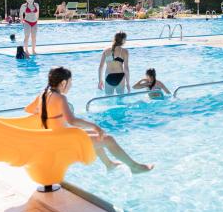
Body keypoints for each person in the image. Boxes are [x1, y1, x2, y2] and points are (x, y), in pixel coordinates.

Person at [25, 67, 153, 174]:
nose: (71, 84)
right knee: (108, 139)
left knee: (99, 137)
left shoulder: (42, 95)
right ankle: (134, 167)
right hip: (62, 140)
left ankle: (109, 164)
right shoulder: (60, 98)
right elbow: (72, 120)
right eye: (70, 82)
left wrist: (47, 115)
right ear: (63, 83)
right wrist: (95, 126)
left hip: (56, 135)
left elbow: (29, 110)